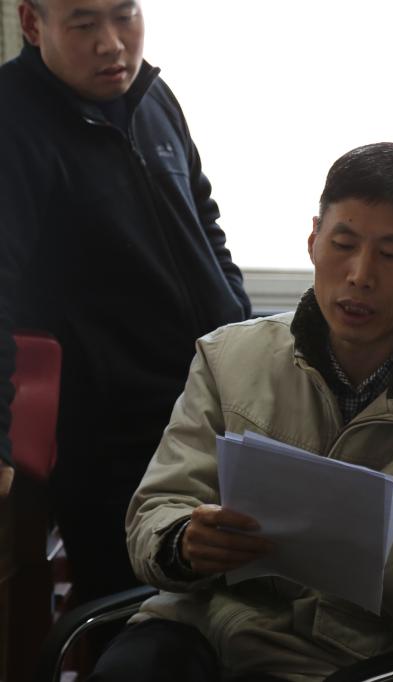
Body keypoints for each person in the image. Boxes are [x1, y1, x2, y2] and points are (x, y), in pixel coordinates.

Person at [89, 142, 393, 681]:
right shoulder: (229, 356)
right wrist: (184, 542)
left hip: (340, 659)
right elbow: (155, 511)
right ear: (314, 239)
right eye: (343, 244)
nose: (360, 275)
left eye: (390, 255)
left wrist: (361, 524)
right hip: (198, 623)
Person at [0, 0, 251, 602]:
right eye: (84, 24)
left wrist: (238, 319)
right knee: (132, 614)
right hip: (110, 435)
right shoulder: (13, 119)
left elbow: (203, 218)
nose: (112, 43)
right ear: (33, 24)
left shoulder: (152, 96)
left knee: (230, 605)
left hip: (212, 403)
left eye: (125, 16)